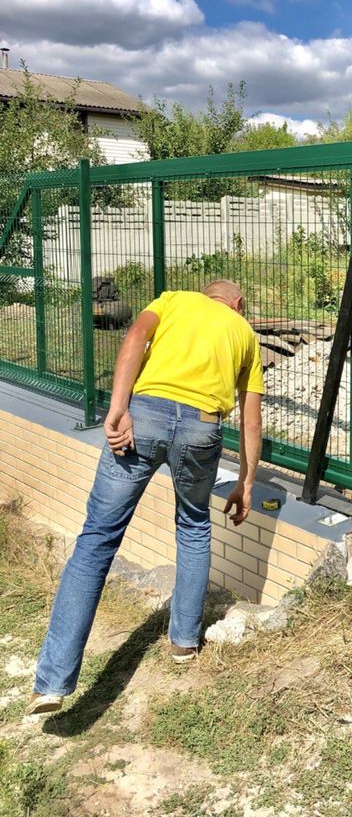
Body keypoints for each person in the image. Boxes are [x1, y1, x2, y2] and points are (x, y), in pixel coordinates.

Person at [27, 280, 264, 716]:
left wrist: (117, 406)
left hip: (145, 416)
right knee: (193, 525)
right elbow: (251, 417)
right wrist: (246, 483)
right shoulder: (244, 333)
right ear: (238, 304)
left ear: (204, 294)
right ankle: (184, 643)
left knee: (97, 539)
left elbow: (135, 336)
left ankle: (53, 683)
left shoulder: (172, 300)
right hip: (201, 428)